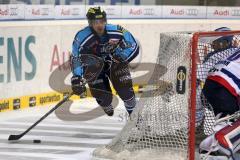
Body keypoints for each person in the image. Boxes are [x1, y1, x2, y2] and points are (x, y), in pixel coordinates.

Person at [70, 7, 139, 117]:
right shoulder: (81, 36)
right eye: (95, 22)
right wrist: (77, 78)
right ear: (90, 23)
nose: (99, 25)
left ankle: (136, 120)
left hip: (114, 63)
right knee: (104, 97)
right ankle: (105, 104)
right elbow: (75, 57)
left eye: (102, 21)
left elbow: (134, 45)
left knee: (126, 92)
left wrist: (121, 57)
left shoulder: (117, 30)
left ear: (105, 20)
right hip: (93, 67)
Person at [199, 27, 240, 159]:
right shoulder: (232, 49)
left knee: (226, 118)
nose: (212, 45)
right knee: (231, 119)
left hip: (211, 86)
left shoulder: (230, 52)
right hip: (226, 87)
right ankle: (225, 141)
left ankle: (208, 147)